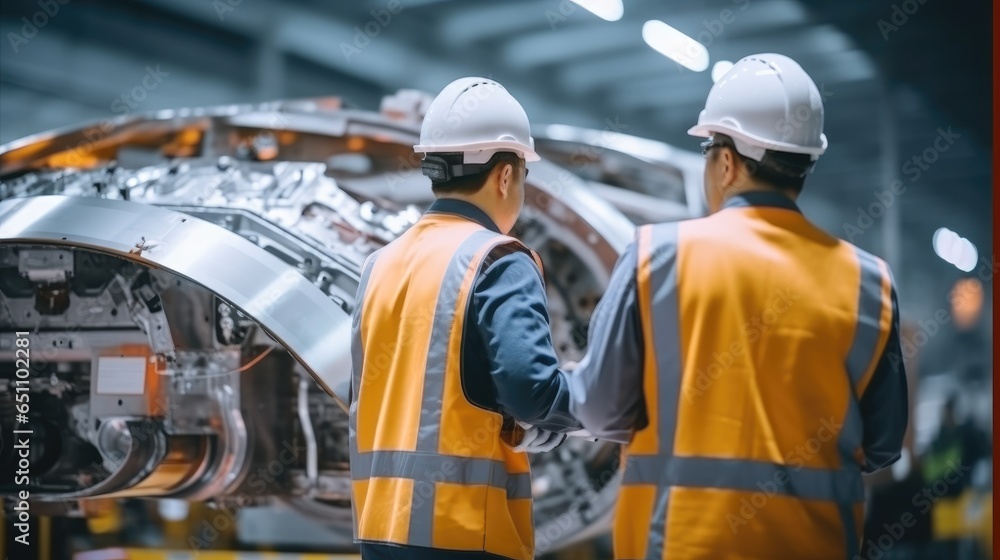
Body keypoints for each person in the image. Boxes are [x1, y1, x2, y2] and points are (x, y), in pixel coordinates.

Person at [568, 53, 908, 559]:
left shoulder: (657, 256)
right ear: (805, 163)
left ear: (725, 162)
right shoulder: (869, 283)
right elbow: (882, 446)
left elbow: (600, 409)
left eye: (708, 149)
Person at [349, 77, 581, 560]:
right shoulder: (497, 259)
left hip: (379, 530)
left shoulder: (380, 264)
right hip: (465, 531)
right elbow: (531, 390)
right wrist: (586, 407)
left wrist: (516, 423)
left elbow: (406, 396)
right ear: (504, 176)